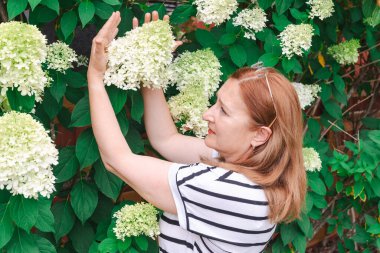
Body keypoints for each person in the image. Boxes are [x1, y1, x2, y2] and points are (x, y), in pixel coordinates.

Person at [88, 10, 306, 253]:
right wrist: (150, 62)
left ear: (260, 135)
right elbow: (166, 140)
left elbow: (117, 160)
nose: (207, 115)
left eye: (224, 111)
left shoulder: (230, 191)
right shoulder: (247, 170)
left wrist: (95, 76)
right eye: (216, 103)